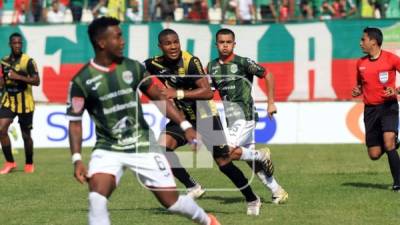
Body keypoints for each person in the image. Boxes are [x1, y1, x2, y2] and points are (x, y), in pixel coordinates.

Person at [67, 17, 220, 225]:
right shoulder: (81, 81)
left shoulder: (133, 68)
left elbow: (159, 98)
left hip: (143, 145)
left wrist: (185, 126)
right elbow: (75, 122)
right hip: (108, 148)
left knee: (172, 203)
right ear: (102, 42)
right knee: (97, 198)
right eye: (117, 37)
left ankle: (207, 221)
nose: (123, 41)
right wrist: (77, 158)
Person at [145, 28, 271, 216]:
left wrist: (177, 93)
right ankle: (192, 185)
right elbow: (139, 73)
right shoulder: (154, 63)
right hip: (183, 117)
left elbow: (207, 92)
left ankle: (252, 198)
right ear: (160, 46)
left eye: (176, 42)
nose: (173, 47)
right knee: (161, 148)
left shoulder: (191, 62)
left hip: (206, 117)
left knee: (224, 163)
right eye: (168, 43)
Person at [207, 28, 288, 204]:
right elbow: (209, 92)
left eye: (229, 42)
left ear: (234, 44)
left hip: (245, 115)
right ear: (216, 44)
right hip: (230, 118)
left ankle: (261, 154)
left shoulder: (243, 63)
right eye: (222, 42)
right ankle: (277, 191)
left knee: (226, 152)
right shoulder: (211, 67)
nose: (225, 45)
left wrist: (271, 102)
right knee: (250, 162)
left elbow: (268, 75)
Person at [352, 27, 400, 192]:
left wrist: (396, 90)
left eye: (363, 39)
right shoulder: (360, 63)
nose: (360, 43)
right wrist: (358, 90)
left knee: (388, 142)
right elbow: (359, 84)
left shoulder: (391, 59)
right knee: (374, 154)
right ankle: (393, 142)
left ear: (373, 41)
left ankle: (398, 183)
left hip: (389, 106)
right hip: (370, 110)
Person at [0, 32, 40, 174]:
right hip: (9, 101)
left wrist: (17, 76)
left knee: (26, 136)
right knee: (1, 130)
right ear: (10, 44)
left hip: (25, 102)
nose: (17, 46)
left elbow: (36, 81)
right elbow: (3, 81)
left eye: (19, 43)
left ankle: (29, 163)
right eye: (15, 43)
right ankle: (10, 162)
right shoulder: (4, 61)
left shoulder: (28, 61)